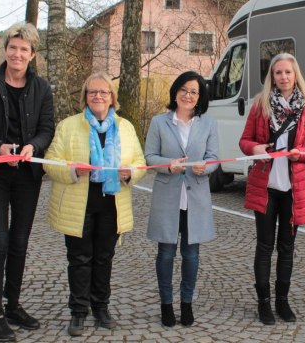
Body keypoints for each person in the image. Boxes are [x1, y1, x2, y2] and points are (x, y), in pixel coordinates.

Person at [0, 22, 54, 341]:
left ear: (32, 54)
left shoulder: (42, 88)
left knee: (19, 242)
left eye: (24, 49)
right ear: (5, 50)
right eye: (13, 47)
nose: (17, 54)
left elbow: (47, 128)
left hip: (27, 176)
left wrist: (35, 146)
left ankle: (13, 304)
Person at [43, 73, 146, 336]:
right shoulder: (68, 126)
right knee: (79, 259)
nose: (98, 96)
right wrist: (72, 170)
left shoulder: (125, 127)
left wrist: (131, 173)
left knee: (104, 258)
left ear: (112, 97)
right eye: (92, 92)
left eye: (103, 92)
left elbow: (140, 162)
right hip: (78, 204)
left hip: (112, 203)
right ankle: (78, 311)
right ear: (85, 97)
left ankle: (101, 307)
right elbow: (50, 162)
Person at [238, 53, 305, 325]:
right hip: (265, 187)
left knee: (287, 246)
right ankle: (263, 302)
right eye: (278, 73)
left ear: (296, 75)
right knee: (264, 246)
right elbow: (245, 141)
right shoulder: (260, 106)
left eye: (288, 72)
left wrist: (301, 154)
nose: (283, 77)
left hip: (293, 190)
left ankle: (282, 301)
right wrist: (256, 148)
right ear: (272, 77)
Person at [144, 71, 219, 327]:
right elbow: (150, 157)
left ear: (200, 97)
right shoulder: (159, 122)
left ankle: (186, 304)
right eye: (183, 90)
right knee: (166, 253)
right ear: (175, 92)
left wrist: (205, 168)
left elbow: (214, 158)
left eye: (193, 92)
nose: (188, 95)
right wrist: (169, 164)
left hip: (195, 197)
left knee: (191, 255)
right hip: (168, 197)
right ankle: (166, 305)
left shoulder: (209, 124)